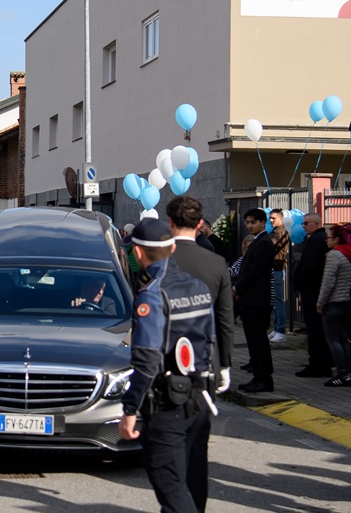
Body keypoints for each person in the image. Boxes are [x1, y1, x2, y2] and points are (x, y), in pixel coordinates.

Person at [118, 218, 218, 513]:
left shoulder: (152, 294)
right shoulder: (198, 286)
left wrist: (129, 409)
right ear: (172, 247)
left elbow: (147, 362)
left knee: (170, 483)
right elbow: (210, 339)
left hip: (168, 404)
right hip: (200, 398)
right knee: (193, 480)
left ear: (137, 253)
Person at [166, 196, 234, 398]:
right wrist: (224, 364)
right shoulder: (216, 263)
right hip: (205, 353)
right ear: (200, 225)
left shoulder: (157, 261)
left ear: (170, 222)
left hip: (165, 354)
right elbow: (225, 318)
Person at [233, 208, 275, 393]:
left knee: (258, 340)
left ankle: (264, 378)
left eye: (253, 222)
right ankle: (258, 375)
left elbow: (253, 271)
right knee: (252, 339)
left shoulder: (264, 243)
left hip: (257, 300)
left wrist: (237, 288)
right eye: (247, 222)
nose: (249, 226)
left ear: (262, 222)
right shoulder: (258, 242)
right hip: (250, 299)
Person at [293, 214, 333, 377]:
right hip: (316, 289)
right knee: (318, 330)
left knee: (314, 330)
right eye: (302, 223)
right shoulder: (319, 239)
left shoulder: (315, 240)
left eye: (306, 223)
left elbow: (308, 267)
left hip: (312, 291)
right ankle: (322, 362)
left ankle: (317, 364)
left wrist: (300, 286)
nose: (303, 226)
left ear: (316, 224)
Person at [318, 224, 351, 388]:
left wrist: (320, 303)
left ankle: (342, 374)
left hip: (334, 302)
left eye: (328, 237)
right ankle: (345, 372)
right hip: (347, 302)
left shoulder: (334, 255)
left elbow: (328, 282)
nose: (326, 240)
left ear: (336, 239)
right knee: (343, 339)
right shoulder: (350, 254)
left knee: (333, 339)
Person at [267, 208, 290, 342]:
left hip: (277, 268)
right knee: (275, 301)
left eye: (273, 218)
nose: (271, 220)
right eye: (270, 218)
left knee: (278, 302)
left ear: (281, 219)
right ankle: (276, 328)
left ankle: (281, 330)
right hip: (273, 269)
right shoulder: (274, 232)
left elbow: (270, 246)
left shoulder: (280, 232)